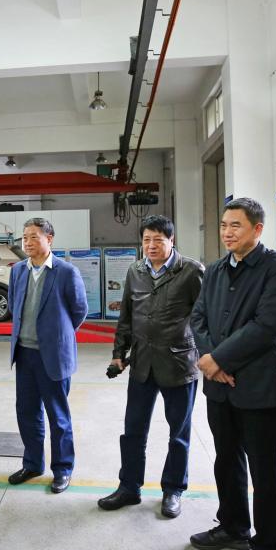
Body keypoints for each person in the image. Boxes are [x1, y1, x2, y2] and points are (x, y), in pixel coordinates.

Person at [189, 197, 276, 550]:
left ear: (257, 229)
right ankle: (233, 526)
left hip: (259, 388)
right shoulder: (216, 270)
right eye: (223, 225)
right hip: (220, 388)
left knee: (264, 471)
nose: (227, 232)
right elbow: (198, 317)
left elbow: (267, 327)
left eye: (236, 225)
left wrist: (219, 360)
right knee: (226, 460)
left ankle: (267, 547)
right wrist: (210, 361)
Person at [98, 215, 205, 518]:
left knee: (178, 433)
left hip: (179, 364)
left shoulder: (192, 271)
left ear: (172, 241)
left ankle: (173, 490)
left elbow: (204, 318)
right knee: (132, 430)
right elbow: (126, 317)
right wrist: (119, 353)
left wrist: (209, 355)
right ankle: (129, 487)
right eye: (146, 239)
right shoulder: (136, 271)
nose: (151, 245)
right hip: (142, 363)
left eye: (158, 239)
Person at [7, 218, 88, 493]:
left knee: (58, 416)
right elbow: (13, 305)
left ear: (49, 239)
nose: (27, 242)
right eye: (24, 237)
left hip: (52, 356)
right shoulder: (18, 271)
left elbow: (79, 310)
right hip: (24, 354)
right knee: (27, 413)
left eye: (34, 237)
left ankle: (62, 469)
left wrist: (58, 335)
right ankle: (32, 464)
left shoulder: (66, 272)